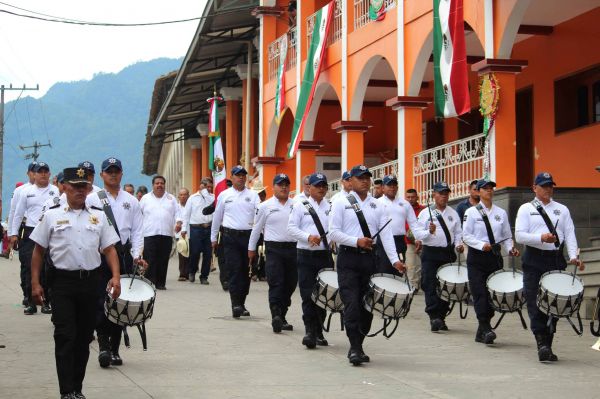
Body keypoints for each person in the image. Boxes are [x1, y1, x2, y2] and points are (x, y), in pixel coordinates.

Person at [29, 167, 121, 399]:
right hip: (62, 284)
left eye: (84, 186)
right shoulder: (51, 215)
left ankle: (77, 389)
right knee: (65, 336)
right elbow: (38, 251)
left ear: (89, 189)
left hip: (90, 284)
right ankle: (66, 391)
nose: (80, 190)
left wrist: (116, 277)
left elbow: (109, 249)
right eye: (75, 186)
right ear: (65, 187)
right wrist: (35, 283)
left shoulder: (99, 216)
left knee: (82, 338)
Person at [329, 165, 404, 365]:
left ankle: (359, 344)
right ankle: (354, 347)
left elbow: (386, 235)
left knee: (367, 306)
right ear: (350, 181)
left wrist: (395, 260)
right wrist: (356, 241)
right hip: (348, 258)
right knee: (351, 303)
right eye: (360, 177)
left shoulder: (378, 205)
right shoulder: (340, 202)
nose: (364, 181)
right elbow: (333, 233)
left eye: (367, 178)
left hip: (371, 260)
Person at [515, 172, 583, 362]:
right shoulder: (525, 209)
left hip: (555, 259)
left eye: (550, 186)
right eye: (544, 186)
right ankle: (541, 342)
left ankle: (548, 342)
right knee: (534, 302)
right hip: (533, 259)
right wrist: (541, 238)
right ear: (534, 188)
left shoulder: (562, 209)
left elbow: (570, 234)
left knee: (555, 302)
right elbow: (519, 236)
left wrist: (574, 256)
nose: (548, 189)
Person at [86, 157, 145, 368]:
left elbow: (138, 230)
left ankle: (115, 348)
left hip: (124, 256)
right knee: (101, 300)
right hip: (99, 256)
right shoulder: (92, 199)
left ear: (121, 173)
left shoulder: (132, 201)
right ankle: (103, 345)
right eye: (108, 171)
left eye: (116, 170)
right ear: (101, 175)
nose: (113, 174)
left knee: (121, 302)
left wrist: (137, 254)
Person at [463, 179, 519, 345]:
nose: (489, 191)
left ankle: (482, 330)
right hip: (477, 256)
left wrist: (510, 249)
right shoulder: (471, 212)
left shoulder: (500, 213)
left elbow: (507, 236)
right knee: (480, 293)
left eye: (491, 188)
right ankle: (486, 329)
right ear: (478, 192)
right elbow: (466, 236)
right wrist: (482, 245)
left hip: (494, 257)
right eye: (485, 189)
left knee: (493, 294)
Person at [288, 172, 332, 349]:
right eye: (317, 186)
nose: (321, 189)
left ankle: (319, 329)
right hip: (305, 254)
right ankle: (309, 331)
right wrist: (308, 237)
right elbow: (291, 228)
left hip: (325, 256)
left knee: (323, 296)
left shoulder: (331, 206)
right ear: (310, 187)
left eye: (324, 186)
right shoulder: (300, 205)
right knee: (307, 295)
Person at [412, 181, 464, 332]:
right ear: (434, 194)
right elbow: (417, 234)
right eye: (441, 193)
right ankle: (434, 316)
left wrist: (458, 245)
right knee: (430, 284)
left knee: (447, 285)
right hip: (430, 252)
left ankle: (442, 316)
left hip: (447, 253)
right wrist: (428, 232)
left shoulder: (453, 213)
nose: (444, 196)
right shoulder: (425, 213)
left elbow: (458, 232)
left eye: (446, 193)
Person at [249, 174, 297, 333]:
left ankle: (283, 315)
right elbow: (256, 228)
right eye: (280, 184)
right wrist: (251, 249)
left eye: (286, 184)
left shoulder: (296, 205)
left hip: (293, 249)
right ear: (274, 186)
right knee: (276, 282)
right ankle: (276, 314)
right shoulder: (265, 206)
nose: (283, 187)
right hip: (274, 248)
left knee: (290, 284)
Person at [11, 162, 59, 315]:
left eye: (46, 171)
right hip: (31, 231)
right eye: (40, 172)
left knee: (47, 268)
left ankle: (46, 302)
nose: (43, 174)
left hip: (49, 231)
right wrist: (13, 234)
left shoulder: (55, 191)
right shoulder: (26, 192)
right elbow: (18, 214)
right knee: (30, 267)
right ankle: (30, 301)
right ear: (34, 174)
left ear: (50, 174)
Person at [211, 166, 259, 317]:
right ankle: (235, 304)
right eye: (238, 175)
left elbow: (259, 217)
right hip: (230, 237)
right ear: (232, 177)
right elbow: (217, 217)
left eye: (243, 175)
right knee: (234, 270)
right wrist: (213, 237)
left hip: (248, 237)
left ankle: (242, 302)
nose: (241, 178)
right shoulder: (224, 195)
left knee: (246, 272)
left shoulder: (253, 195)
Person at [139, 176, 178, 289]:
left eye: (162, 183)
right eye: (157, 183)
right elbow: (138, 215)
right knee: (150, 259)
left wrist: (179, 223)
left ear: (164, 185)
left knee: (163, 259)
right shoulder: (145, 198)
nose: (159, 185)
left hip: (166, 234)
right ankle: (150, 283)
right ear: (153, 185)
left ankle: (161, 284)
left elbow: (177, 213)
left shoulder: (171, 198)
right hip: (149, 234)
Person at [376, 175, 418, 275]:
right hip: (382, 241)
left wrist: (418, 238)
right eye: (389, 185)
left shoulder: (405, 203)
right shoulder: (377, 203)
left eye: (394, 185)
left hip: (399, 241)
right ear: (383, 188)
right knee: (384, 271)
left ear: (398, 187)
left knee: (398, 271)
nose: (392, 187)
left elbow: (414, 224)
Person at [8, 162, 37, 305]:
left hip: (41, 228)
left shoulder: (51, 190)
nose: (35, 174)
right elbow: (14, 212)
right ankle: (27, 293)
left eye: (37, 171)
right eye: (33, 171)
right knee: (26, 263)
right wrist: (12, 234)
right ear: (28, 173)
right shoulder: (21, 190)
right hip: (25, 228)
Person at [182, 178, 214, 284]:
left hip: (208, 228)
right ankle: (192, 271)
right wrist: (184, 229)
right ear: (201, 185)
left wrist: (207, 194)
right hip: (195, 228)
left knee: (207, 254)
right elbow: (186, 214)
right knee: (195, 252)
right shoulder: (192, 198)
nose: (208, 189)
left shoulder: (212, 197)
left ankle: (204, 276)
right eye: (206, 186)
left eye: (210, 187)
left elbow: (213, 207)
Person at [405, 188, 426, 291]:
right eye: (408, 197)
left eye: (412, 197)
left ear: (417, 197)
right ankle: (413, 287)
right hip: (409, 243)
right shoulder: (403, 209)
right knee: (411, 266)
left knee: (423, 266)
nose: (410, 199)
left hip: (423, 242)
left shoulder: (424, 210)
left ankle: (423, 284)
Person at [250, 180, 268, 281]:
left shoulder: (267, 205)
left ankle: (262, 273)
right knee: (254, 252)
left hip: (265, 232)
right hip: (254, 230)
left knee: (263, 253)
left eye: (261, 194)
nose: (259, 197)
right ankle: (253, 272)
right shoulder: (252, 204)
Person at [174, 187, 190, 281]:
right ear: (178, 196)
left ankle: (190, 271)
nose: (183, 196)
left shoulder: (191, 206)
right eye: (181, 195)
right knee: (182, 253)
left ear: (188, 196)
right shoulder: (176, 207)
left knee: (190, 253)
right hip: (179, 234)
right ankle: (183, 274)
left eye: (185, 194)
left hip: (190, 232)